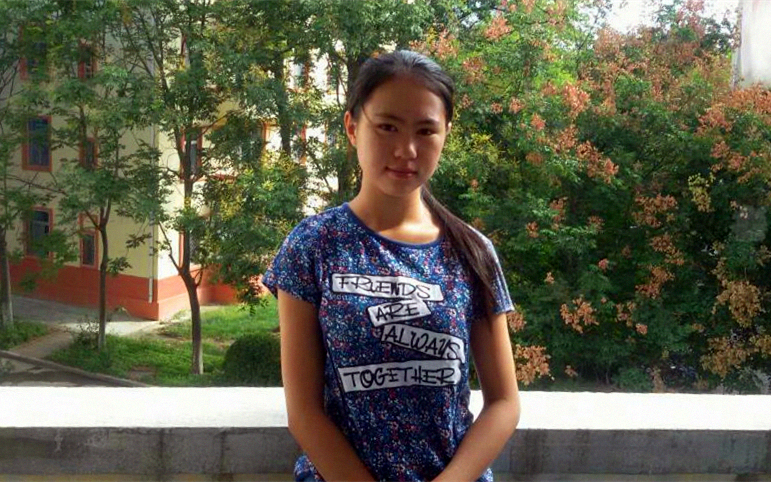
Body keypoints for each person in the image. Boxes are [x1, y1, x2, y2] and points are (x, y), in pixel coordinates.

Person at [263, 50, 520, 482]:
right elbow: (303, 412)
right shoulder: (312, 245)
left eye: (426, 130)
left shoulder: (472, 252)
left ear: (446, 134)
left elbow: (504, 403)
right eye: (387, 127)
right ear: (352, 127)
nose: (406, 150)